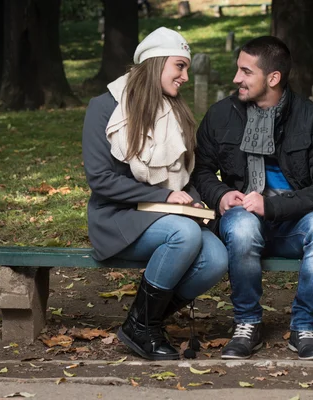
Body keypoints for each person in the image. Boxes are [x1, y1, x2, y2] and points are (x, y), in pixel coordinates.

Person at [192, 36, 313, 361]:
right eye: (237, 70)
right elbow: (199, 170)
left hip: (294, 226)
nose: (236, 79)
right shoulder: (221, 115)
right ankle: (247, 324)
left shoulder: (312, 118)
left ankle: (304, 328)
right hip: (242, 222)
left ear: (273, 78)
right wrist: (220, 194)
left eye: (246, 71)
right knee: (243, 226)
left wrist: (272, 205)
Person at [82, 27, 228, 361]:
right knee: (184, 232)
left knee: (217, 258)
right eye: (179, 66)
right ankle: (142, 327)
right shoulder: (104, 107)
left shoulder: (175, 110)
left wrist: (192, 198)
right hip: (118, 218)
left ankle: (144, 321)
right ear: (157, 63)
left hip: (168, 216)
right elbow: (101, 179)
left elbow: (182, 174)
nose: (185, 76)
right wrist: (166, 199)